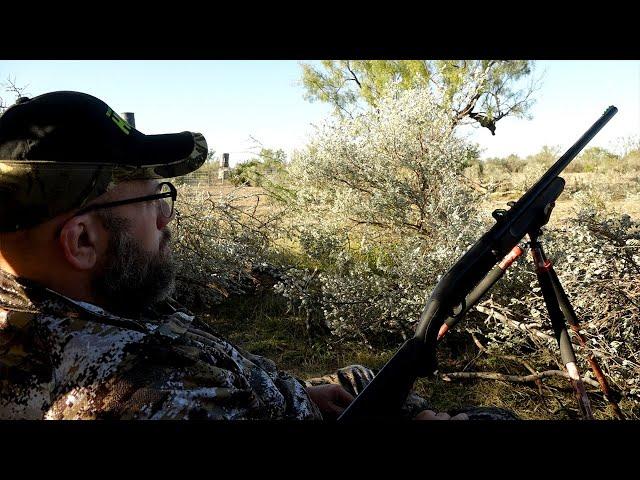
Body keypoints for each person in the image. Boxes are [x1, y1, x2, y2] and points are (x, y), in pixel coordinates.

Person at [0, 91, 479, 420]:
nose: (167, 218)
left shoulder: (65, 295)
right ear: (81, 241)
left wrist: (300, 398)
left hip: (294, 396)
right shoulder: (159, 389)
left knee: (362, 378)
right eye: (151, 200)